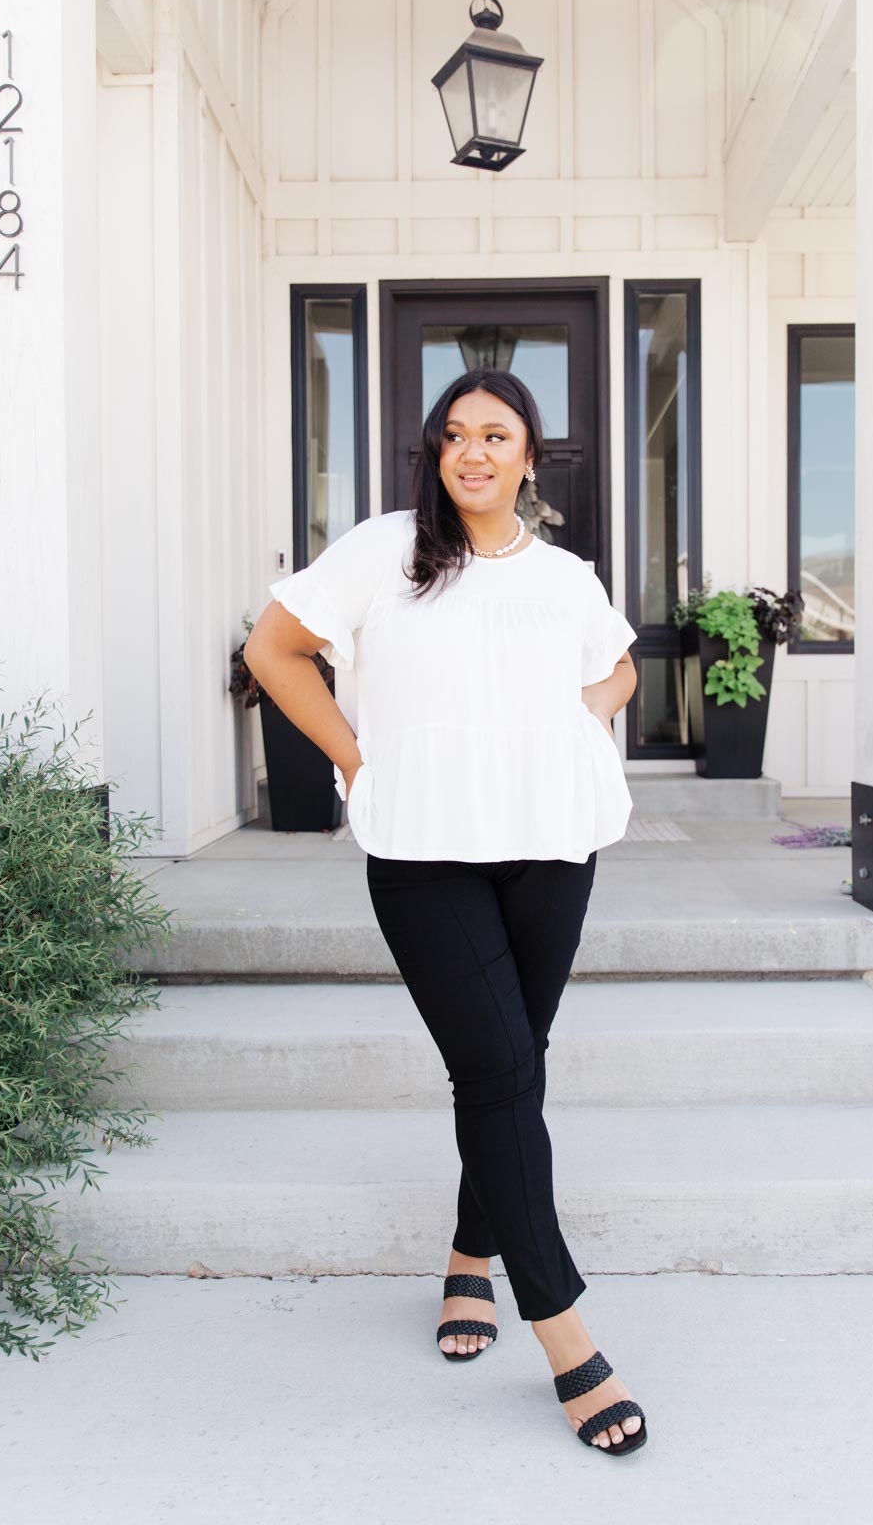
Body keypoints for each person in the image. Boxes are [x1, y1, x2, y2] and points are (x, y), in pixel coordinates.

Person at [243, 367, 648, 1457]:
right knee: (500, 1072)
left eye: (496, 434)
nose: (473, 451)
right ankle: (563, 1330)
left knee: (514, 1060)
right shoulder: (385, 550)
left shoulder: (565, 575)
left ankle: (470, 1255)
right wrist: (354, 757)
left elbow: (617, 666)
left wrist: (580, 713)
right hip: (424, 855)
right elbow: (270, 652)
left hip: (551, 848)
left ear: (528, 455)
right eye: (455, 434)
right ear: (435, 453)